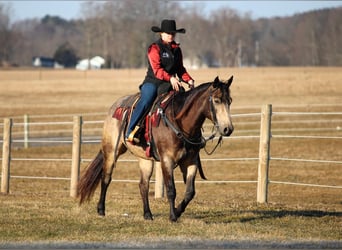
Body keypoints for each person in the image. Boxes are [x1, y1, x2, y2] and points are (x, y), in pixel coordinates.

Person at [126, 19, 195, 143]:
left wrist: (188, 79)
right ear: (161, 34)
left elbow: (180, 69)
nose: (171, 35)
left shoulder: (177, 50)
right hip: (152, 82)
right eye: (168, 33)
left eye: (173, 33)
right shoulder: (154, 48)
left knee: (184, 98)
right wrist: (171, 78)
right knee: (147, 99)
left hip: (169, 83)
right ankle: (131, 130)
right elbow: (157, 70)